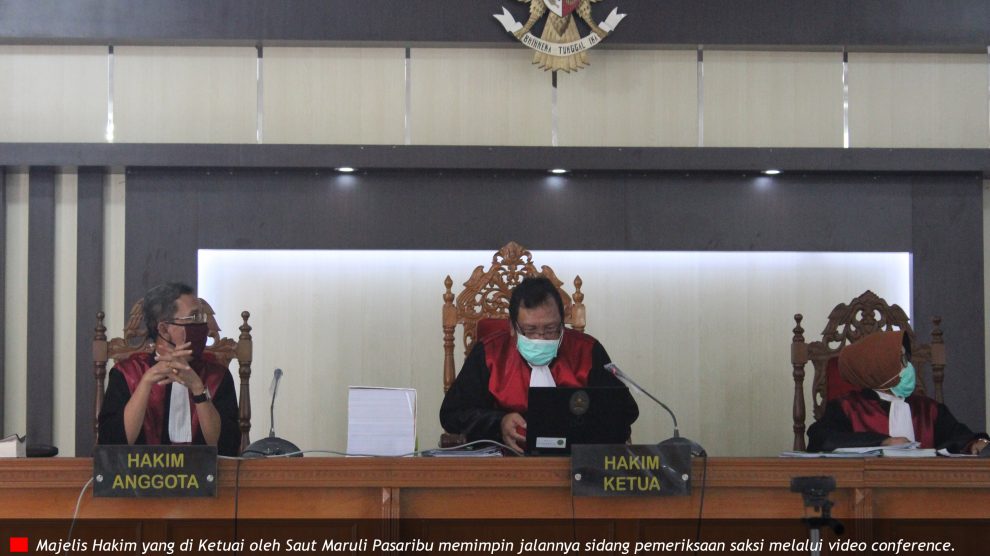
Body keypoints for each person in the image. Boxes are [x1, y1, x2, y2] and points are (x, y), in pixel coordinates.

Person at [439, 276, 638, 452]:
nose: (541, 338)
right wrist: (499, 423)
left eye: (551, 329)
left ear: (562, 324)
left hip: (576, 462)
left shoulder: (587, 351)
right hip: (506, 462)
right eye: (530, 330)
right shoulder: (489, 353)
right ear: (512, 327)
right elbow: (452, 414)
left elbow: (625, 411)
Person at [98, 282, 240, 456]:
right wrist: (145, 383)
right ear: (164, 329)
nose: (203, 326)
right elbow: (111, 447)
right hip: (139, 472)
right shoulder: (128, 373)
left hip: (203, 472)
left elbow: (227, 448)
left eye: (202, 317)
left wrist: (198, 388)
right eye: (194, 318)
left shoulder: (216, 376)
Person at [807, 330, 989, 454]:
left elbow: (961, 438)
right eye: (901, 360)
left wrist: (978, 443)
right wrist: (882, 442)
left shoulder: (928, 409)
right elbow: (820, 439)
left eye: (906, 359)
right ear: (879, 368)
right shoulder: (848, 408)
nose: (908, 366)